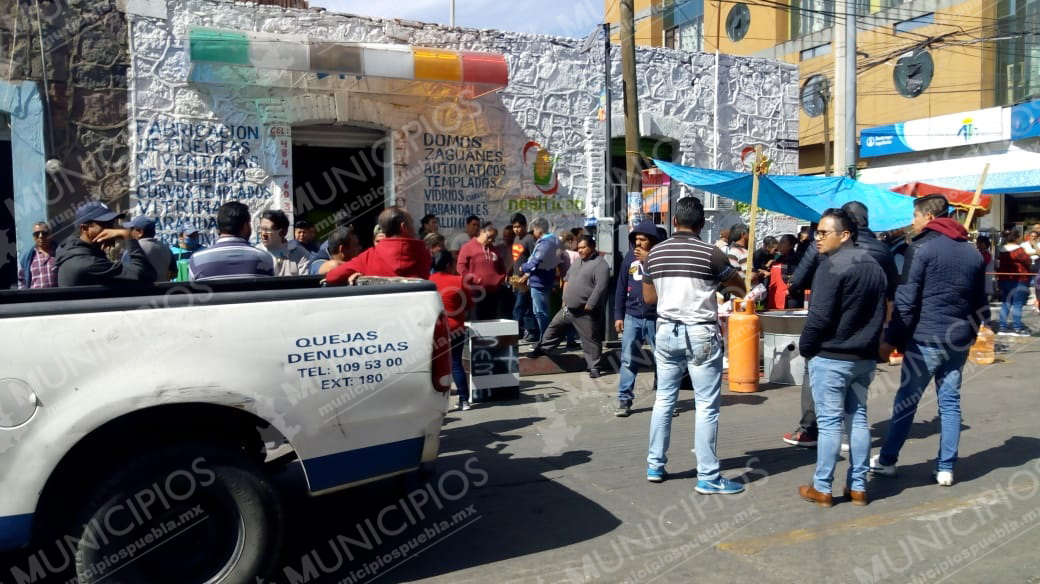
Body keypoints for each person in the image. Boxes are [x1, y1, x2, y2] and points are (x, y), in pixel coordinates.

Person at [871, 195, 990, 488]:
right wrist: (970, 334)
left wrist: (893, 339)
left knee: (906, 402)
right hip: (958, 339)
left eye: (915, 216)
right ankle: (946, 468)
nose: (913, 222)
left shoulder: (922, 248)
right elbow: (980, 302)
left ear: (927, 216)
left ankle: (887, 460)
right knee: (949, 404)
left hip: (926, 339)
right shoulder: (972, 252)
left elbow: (907, 300)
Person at [642, 196, 746, 494]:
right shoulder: (711, 253)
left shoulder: (654, 254)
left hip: (665, 331)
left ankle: (655, 465)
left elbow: (649, 299)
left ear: (674, 222)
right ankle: (708, 476)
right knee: (706, 406)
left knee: (664, 400)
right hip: (700, 332)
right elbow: (738, 288)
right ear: (702, 224)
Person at [796, 208, 887, 507]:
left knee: (831, 423)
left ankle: (823, 486)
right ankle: (858, 486)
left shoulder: (832, 265)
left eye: (823, 233)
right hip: (863, 357)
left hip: (832, 356)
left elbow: (818, 318)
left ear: (844, 235)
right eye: (816, 232)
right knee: (858, 419)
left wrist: (806, 347)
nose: (816, 238)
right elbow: (883, 311)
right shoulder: (874, 265)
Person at [529, 236, 610, 377]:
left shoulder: (600, 264)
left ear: (592, 247)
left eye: (583, 248)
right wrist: (564, 298)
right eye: (578, 248)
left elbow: (600, 287)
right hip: (567, 308)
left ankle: (594, 367)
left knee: (590, 339)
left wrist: (590, 304)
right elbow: (567, 280)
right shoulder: (577, 262)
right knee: (553, 328)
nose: (580, 251)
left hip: (584, 310)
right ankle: (543, 348)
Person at [613, 220, 662, 417]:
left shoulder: (660, 258)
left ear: (651, 241)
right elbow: (620, 287)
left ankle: (664, 399)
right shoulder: (628, 259)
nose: (639, 244)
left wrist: (648, 259)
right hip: (632, 316)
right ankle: (624, 399)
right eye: (636, 240)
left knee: (663, 360)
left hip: (656, 318)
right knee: (627, 359)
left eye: (643, 240)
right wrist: (618, 315)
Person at [56, 202, 156, 286]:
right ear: (84, 229)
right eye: (105, 224)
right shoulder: (88, 263)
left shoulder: (72, 250)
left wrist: (99, 250)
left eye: (112, 224)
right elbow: (144, 276)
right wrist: (128, 236)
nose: (112, 230)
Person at [326, 207, 431, 284]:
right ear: (403, 227)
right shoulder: (425, 253)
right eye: (411, 223)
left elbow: (331, 277)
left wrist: (360, 277)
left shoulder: (367, 258)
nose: (414, 228)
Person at [429, 250, 473, 410]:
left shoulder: (428, 282)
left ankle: (437, 403)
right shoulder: (459, 281)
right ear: (449, 264)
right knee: (456, 363)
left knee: (434, 366)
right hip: (456, 329)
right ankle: (464, 400)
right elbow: (469, 304)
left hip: (435, 330)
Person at [188, 202, 275, 281]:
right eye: (249, 223)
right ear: (245, 226)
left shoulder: (196, 260)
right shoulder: (264, 258)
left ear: (219, 228)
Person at [519, 218, 561, 342]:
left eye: (534, 230)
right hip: (541, 280)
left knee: (540, 313)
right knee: (539, 312)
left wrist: (524, 267)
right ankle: (545, 339)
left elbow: (536, 261)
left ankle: (546, 340)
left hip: (540, 281)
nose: (533, 233)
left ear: (538, 229)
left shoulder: (545, 243)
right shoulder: (549, 241)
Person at [457, 222, 506, 320]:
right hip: (476, 292)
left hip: (493, 292)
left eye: (494, 238)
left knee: (491, 320)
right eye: (489, 237)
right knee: (477, 320)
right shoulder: (468, 247)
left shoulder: (493, 249)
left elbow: (501, 267)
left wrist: (501, 279)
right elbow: (461, 267)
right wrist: (473, 279)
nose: (491, 240)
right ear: (482, 232)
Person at [995, 228, 1033, 336]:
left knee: (1005, 302)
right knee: (1018, 304)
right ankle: (1017, 327)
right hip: (1019, 279)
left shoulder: (1001, 249)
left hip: (1003, 279)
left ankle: (1002, 327)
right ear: (1017, 238)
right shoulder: (1019, 250)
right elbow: (1028, 261)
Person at [510, 214, 538, 341]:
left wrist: (527, 275)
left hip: (526, 280)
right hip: (517, 279)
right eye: (514, 227)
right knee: (526, 307)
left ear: (525, 226)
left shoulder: (529, 239)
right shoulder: (516, 239)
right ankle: (529, 332)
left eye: (518, 226)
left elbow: (534, 259)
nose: (516, 229)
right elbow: (516, 259)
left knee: (518, 307)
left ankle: (513, 333)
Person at [257, 210, 311, 276]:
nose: (263, 234)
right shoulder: (256, 254)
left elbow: (305, 282)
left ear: (283, 232)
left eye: (269, 230)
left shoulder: (300, 254)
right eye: (261, 229)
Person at [123, 216, 173, 282]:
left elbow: (124, 274)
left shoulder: (133, 249)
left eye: (132, 229)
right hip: (163, 290)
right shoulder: (166, 249)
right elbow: (173, 274)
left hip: (141, 291)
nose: (130, 232)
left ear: (140, 233)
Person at [18, 221, 58, 289]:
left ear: (51, 234)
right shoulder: (28, 258)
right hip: (35, 298)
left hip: (58, 298)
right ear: (33, 237)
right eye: (37, 234)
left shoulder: (59, 253)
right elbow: (21, 280)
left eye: (44, 233)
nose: (40, 236)